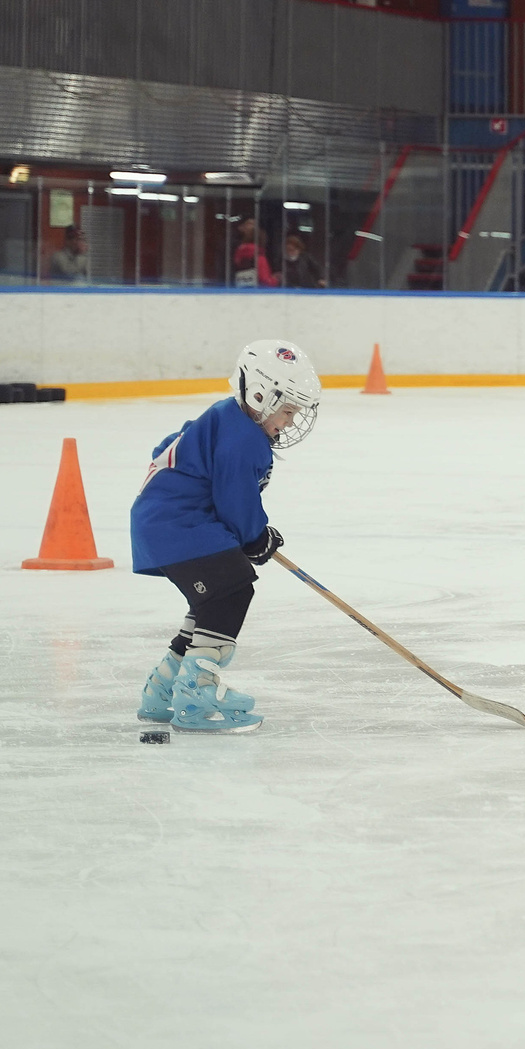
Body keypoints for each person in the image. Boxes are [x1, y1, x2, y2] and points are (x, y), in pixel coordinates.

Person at [130, 341, 321, 733]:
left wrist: (250, 535)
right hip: (180, 526)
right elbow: (236, 499)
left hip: (168, 521)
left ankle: (163, 690)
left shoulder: (225, 415)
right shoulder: (244, 439)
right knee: (232, 589)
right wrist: (255, 537)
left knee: (212, 599)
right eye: (286, 411)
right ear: (261, 395)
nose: (288, 422)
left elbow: (169, 447)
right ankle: (196, 698)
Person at [231, 217, 279, 288]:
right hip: (256, 291)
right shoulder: (258, 254)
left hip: (239, 289)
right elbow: (264, 279)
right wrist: (275, 280)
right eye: (250, 224)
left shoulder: (239, 252)